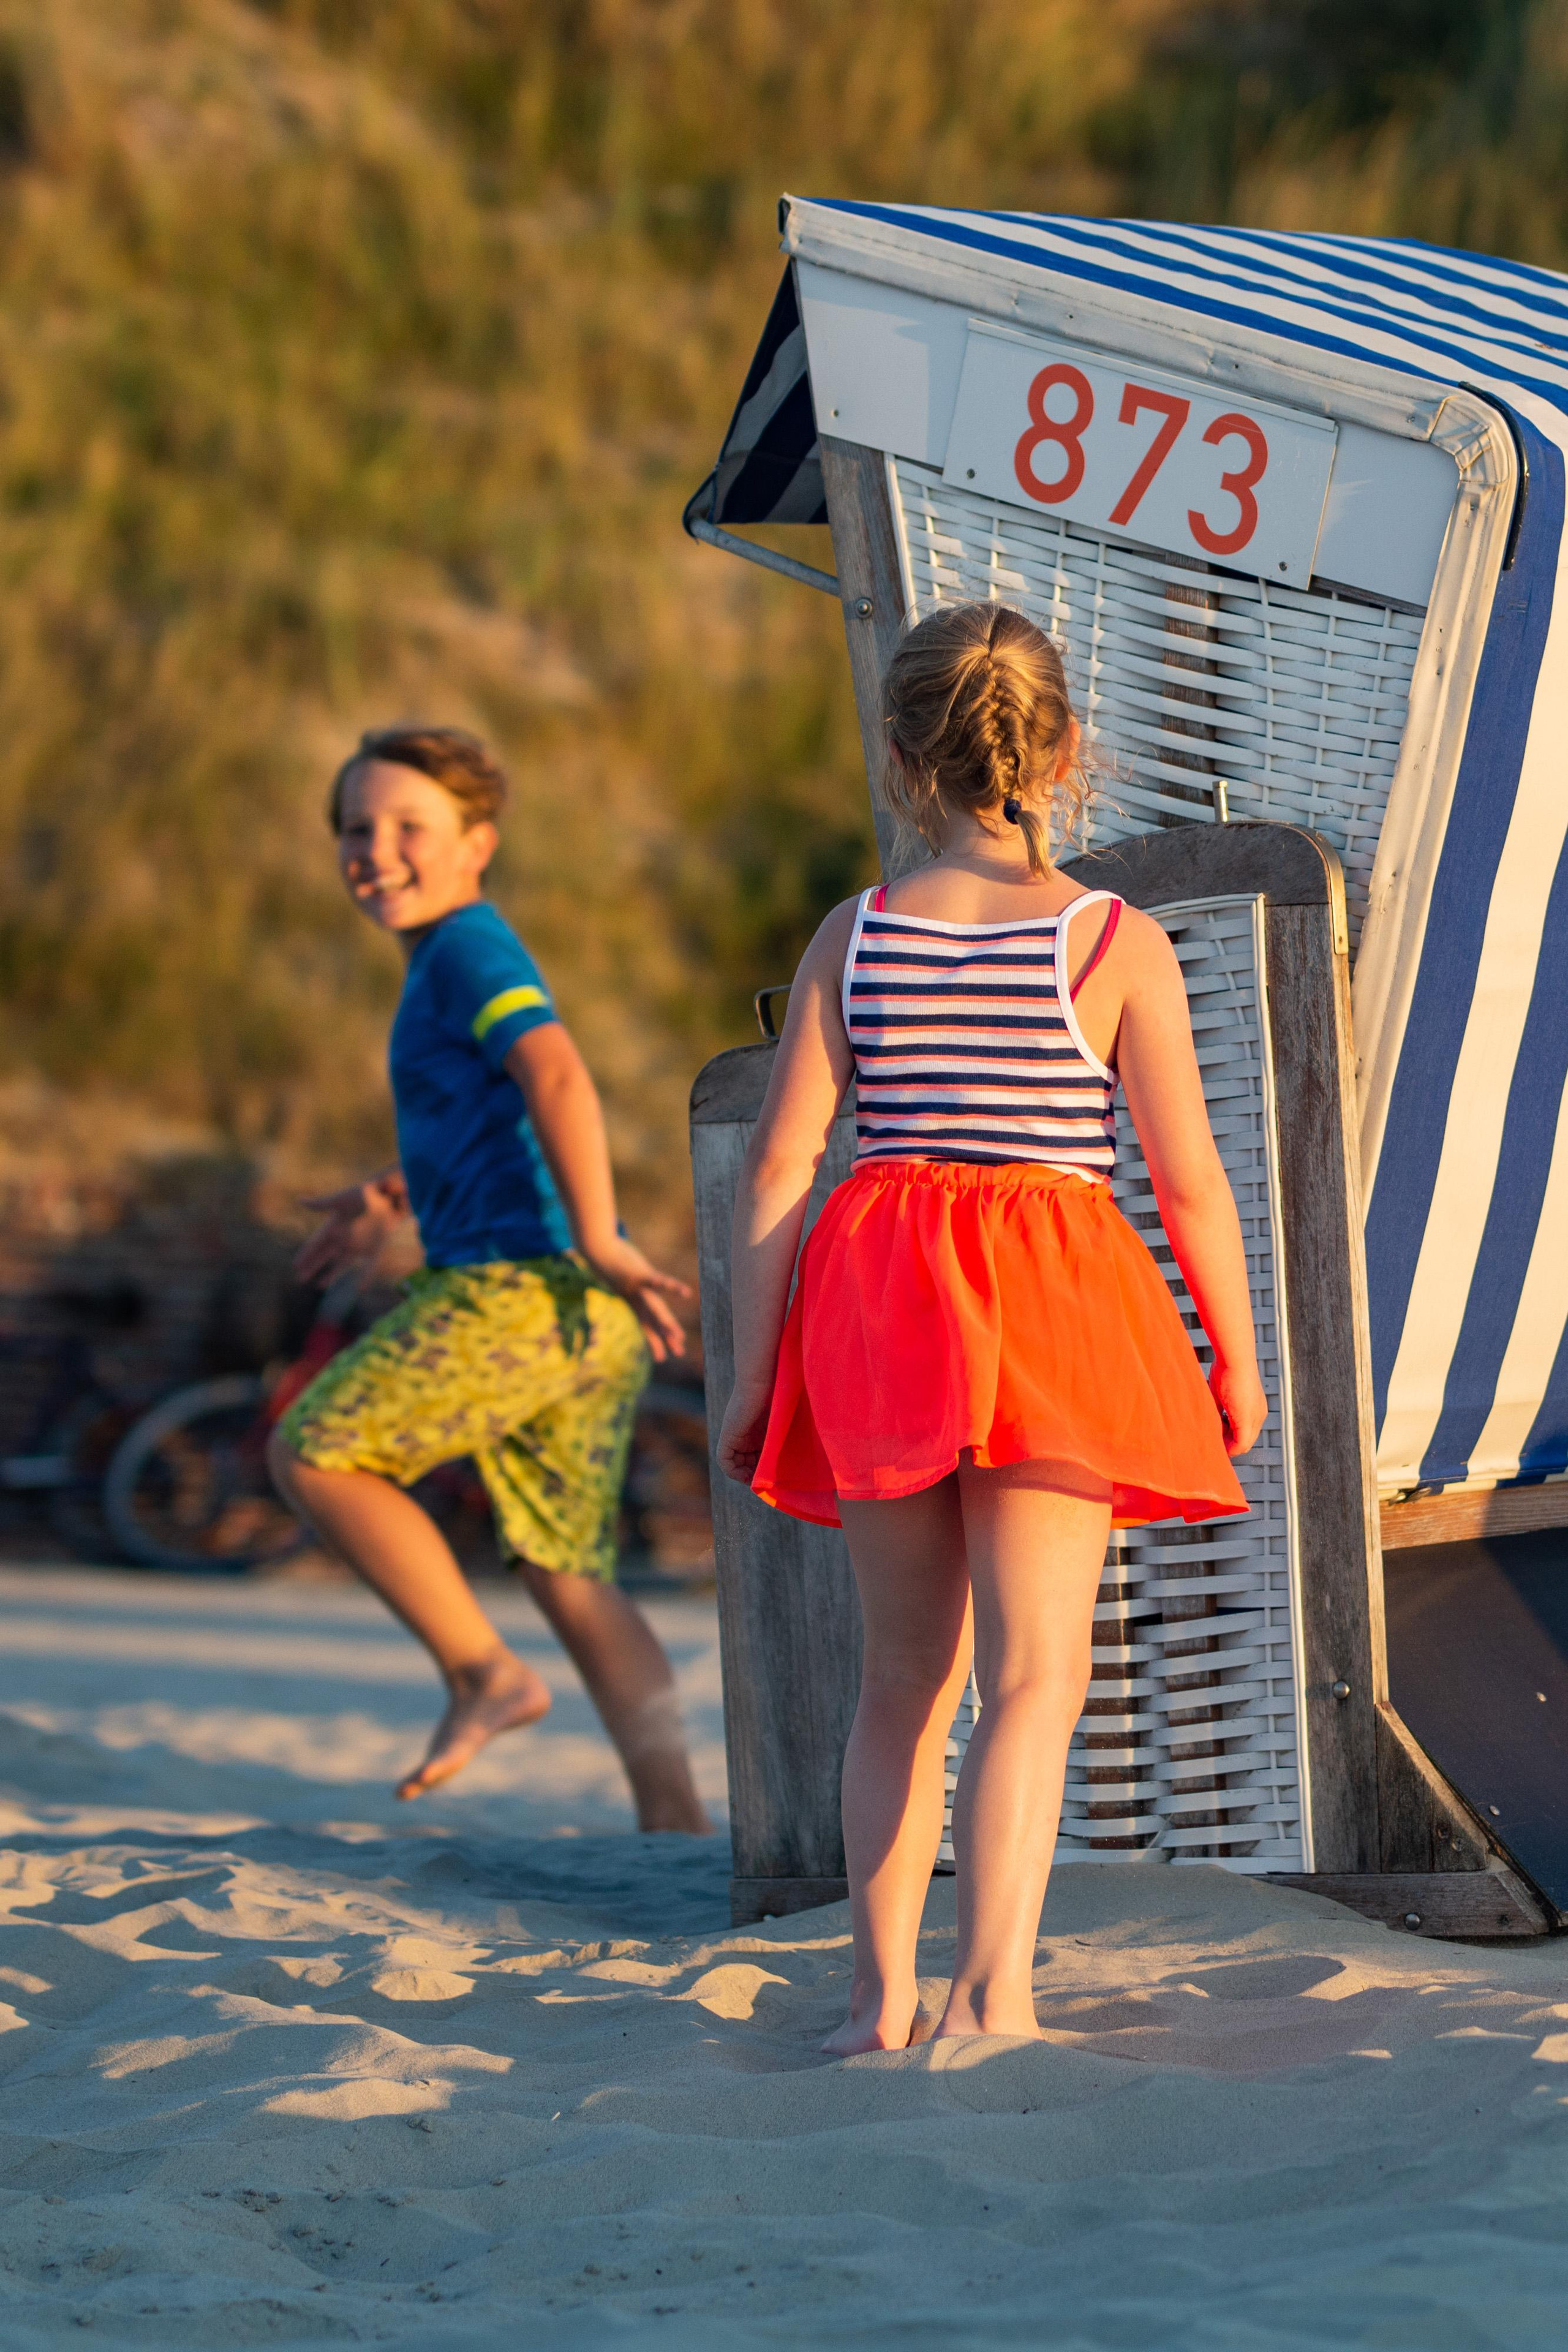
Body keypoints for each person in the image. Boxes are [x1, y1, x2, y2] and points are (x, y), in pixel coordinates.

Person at [717, 603, 1265, 2049]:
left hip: (881, 1297)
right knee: (1033, 1675)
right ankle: (989, 1994)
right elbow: (1187, 1182)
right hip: (1051, 1301)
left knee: (901, 1679)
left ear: (902, 757)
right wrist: (1231, 1355)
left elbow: (778, 1168)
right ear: (1066, 748)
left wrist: (756, 1372)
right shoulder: (1110, 939)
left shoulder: (854, 932)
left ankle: (873, 2002)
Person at [268, 725, 710, 1835]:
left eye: (409, 826)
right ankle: (674, 1826)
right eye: (356, 828)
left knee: (312, 1449)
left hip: (525, 1293)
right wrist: (393, 1194)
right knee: (570, 1571)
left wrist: (602, 1238)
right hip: (579, 1316)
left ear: (478, 843)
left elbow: (554, 1072)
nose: (377, 850)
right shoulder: (444, 960)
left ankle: (483, 1673)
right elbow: (490, 1126)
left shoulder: (468, 947)